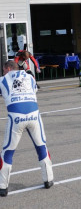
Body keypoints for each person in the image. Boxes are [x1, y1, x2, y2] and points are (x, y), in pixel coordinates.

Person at [0, 61, 54, 197]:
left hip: (16, 117)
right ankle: (48, 180)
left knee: (7, 152)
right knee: (41, 146)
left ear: (8, 68)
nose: (3, 72)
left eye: (3, 70)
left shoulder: (3, 79)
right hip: (34, 115)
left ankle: (2, 187)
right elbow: (34, 89)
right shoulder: (30, 77)